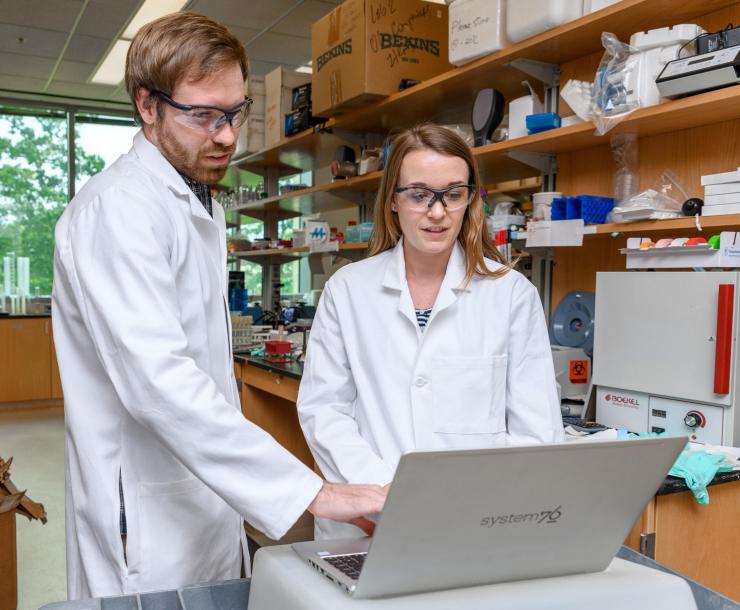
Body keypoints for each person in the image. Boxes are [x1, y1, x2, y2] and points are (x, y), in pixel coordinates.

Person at [52, 12, 385, 599]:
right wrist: (313, 493)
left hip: (201, 495)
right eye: (203, 115)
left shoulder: (197, 201)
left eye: (234, 114)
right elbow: (159, 382)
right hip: (145, 509)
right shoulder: (121, 210)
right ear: (147, 107)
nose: (227, 135)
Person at [297, 124, 564, 540]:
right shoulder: (348, 290)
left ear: (470, 200)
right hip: (367, 519)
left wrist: (486, 510)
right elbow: (325, 411)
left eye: (452, 194)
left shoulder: (511, 294)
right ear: (392, 202)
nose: (437, 212)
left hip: (476, 523)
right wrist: (386, 496)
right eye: (419, 195)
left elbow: (537, 430)